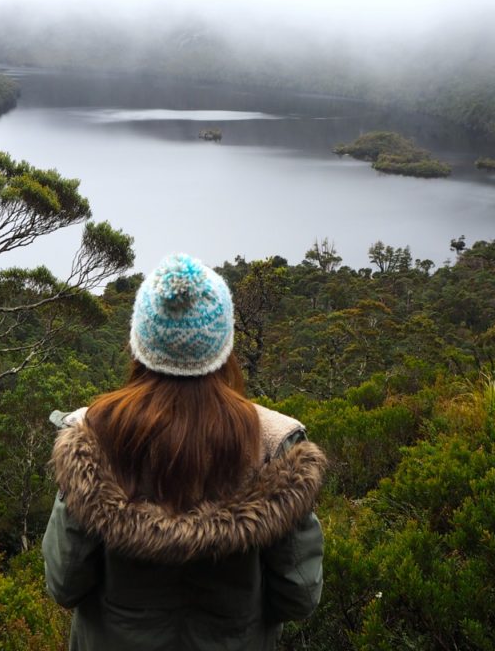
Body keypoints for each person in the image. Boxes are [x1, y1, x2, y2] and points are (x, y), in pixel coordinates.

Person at [42, 253, 326, 651]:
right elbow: (298, 596)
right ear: (224, 344)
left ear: (139, 343)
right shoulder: (275, 444)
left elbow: (64, 583)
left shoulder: (95, 439)